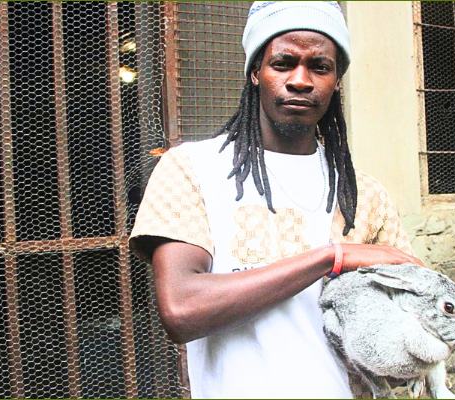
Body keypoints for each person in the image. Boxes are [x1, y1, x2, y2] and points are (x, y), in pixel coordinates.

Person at [130, 1, 423, 397]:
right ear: (255, 72)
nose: (301, 80)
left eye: (320, 67)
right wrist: (330, 257)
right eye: (283, 63)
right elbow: (181, 309)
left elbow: (406, 328)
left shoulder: (363, 193)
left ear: (337, 81)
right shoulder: (191, 169)